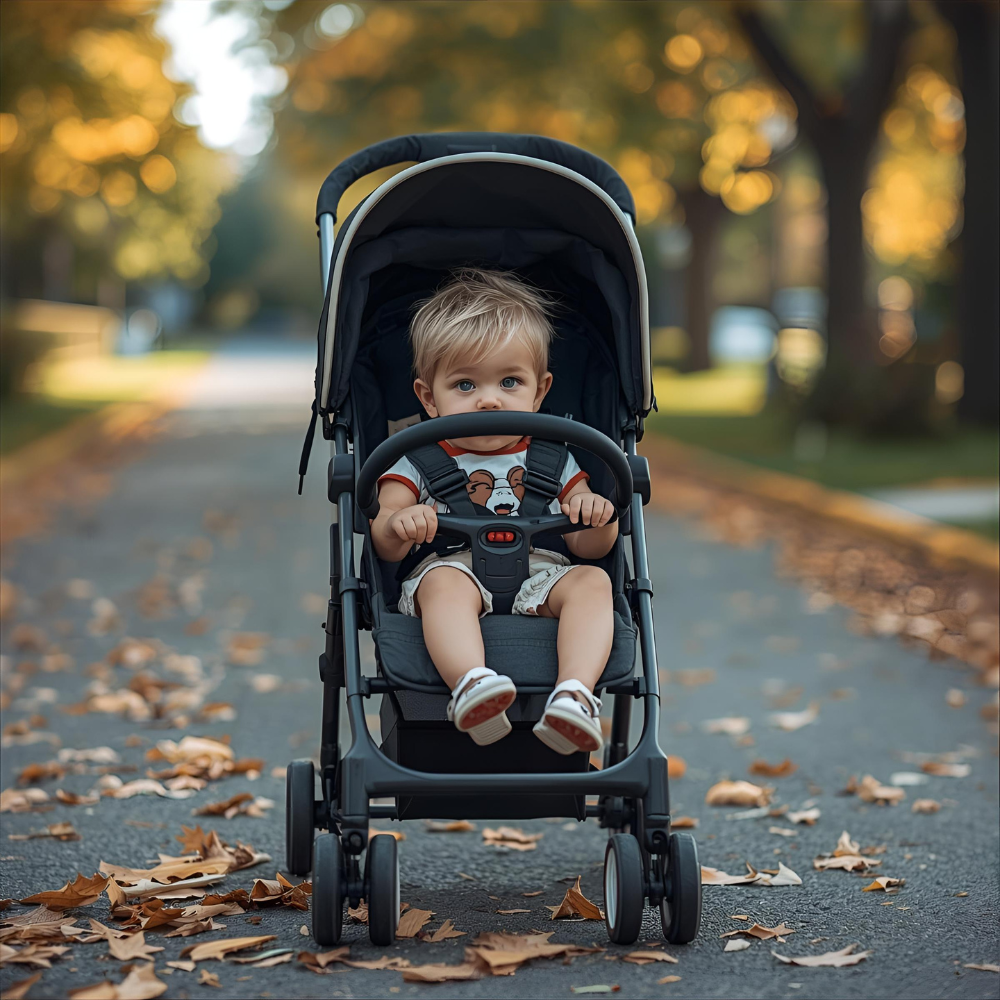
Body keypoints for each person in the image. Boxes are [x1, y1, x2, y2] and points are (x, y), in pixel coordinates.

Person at [371, 268, 618, 754]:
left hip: (541, 576)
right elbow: (383, 535)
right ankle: (472, 685)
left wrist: (596, 516)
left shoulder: (555, 458)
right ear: (429, 398)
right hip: (451, 570)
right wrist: (400, 524)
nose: (489, 400)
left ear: (539, 391)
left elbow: (587, 547)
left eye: (510, 381)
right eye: (465, 385)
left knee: (593, 581)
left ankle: (574, 695)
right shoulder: (415, 458)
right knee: (443, 585)